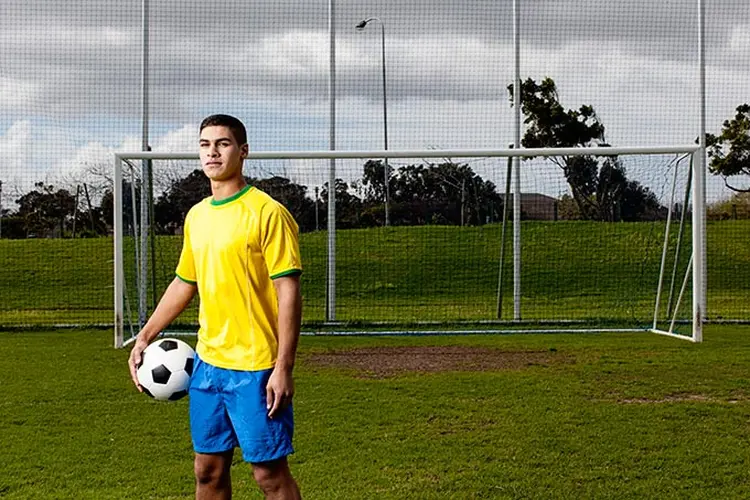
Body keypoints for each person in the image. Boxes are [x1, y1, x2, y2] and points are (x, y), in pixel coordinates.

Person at [128, 114, 303, 500]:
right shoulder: (197, 216)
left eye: (222, 143)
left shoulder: (267, 212)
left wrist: (283, 367)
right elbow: (183, 283)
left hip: (256, 367)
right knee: (207, 471)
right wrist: (144, 336)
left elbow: (287, 291)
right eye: (205, 144)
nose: (212, 152)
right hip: (207, 366)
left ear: (243, 151)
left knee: (268, 475)